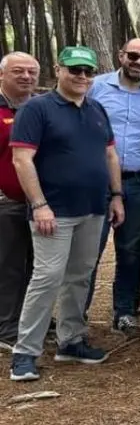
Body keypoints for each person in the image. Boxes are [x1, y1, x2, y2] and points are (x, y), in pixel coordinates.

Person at [7, 47, 123, 382]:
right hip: (53, 212)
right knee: (46, 278)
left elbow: (110, 155)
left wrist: (116, 196)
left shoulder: (97, 109)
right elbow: (22, 160)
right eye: (75, 70)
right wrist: (40, 204)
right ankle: (25, 352)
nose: (82, 77)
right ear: (58, 70)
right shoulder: (36, 109)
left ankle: (71, 340)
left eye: (88, 71)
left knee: (81, 275)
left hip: (92, 209)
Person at [85, 38, 140, 337]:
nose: (139, 63)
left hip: (137, 181)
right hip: (95, 180)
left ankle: (124, 312)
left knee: (131, 249)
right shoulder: (95, 86)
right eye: (133, 56)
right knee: (88, 249)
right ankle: (77, 315)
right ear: (121, 55)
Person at [0, 52, 39, 350]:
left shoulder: (40, 107)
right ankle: (7, 326)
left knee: (37, 265)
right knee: (9, 265)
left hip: (40, 202)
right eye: (18, 71)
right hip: (6, 202)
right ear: (3, 75)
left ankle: (31, 319)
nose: (26, 76)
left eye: (31, 71)